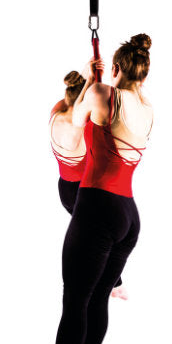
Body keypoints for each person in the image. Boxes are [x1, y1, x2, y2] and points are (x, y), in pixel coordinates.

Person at [35, 34, 153, 344]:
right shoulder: (148, 109)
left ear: (115, 68)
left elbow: (76, 117)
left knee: (75, 301)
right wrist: (98, 80)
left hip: (97, 209)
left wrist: (91, 77)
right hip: (128, 216)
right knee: (98, 298)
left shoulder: (103, 94)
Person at [50, 69, 126, 298]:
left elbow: (78, 101)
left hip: (65, 188)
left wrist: (89, 75)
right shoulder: (79, 132)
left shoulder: (56, 110)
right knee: (107, 238)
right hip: (81, 194)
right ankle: (109, 285)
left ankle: (109, 283)